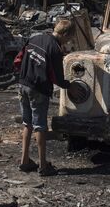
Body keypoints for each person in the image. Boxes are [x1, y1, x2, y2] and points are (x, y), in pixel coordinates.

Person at [18, 19, 74, 176]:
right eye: (68, 39)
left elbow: (18, 59)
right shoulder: (55, 49)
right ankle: (43, 166)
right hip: (38, 89)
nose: (67, 43)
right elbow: (58, 78)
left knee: (27, 123)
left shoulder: (35, 38)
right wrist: (71, 86)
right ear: (65, 34)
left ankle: (24, 161)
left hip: (23, 84)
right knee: (40, 126)